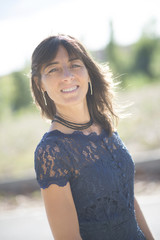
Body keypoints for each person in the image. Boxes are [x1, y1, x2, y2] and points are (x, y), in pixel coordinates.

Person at [31, 34, 154, 240]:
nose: (67, 75)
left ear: (88, 71)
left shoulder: (104, 125)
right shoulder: (51, 151)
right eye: (53, 69)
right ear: (39, 83)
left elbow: (128, 200)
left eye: (75, 65)